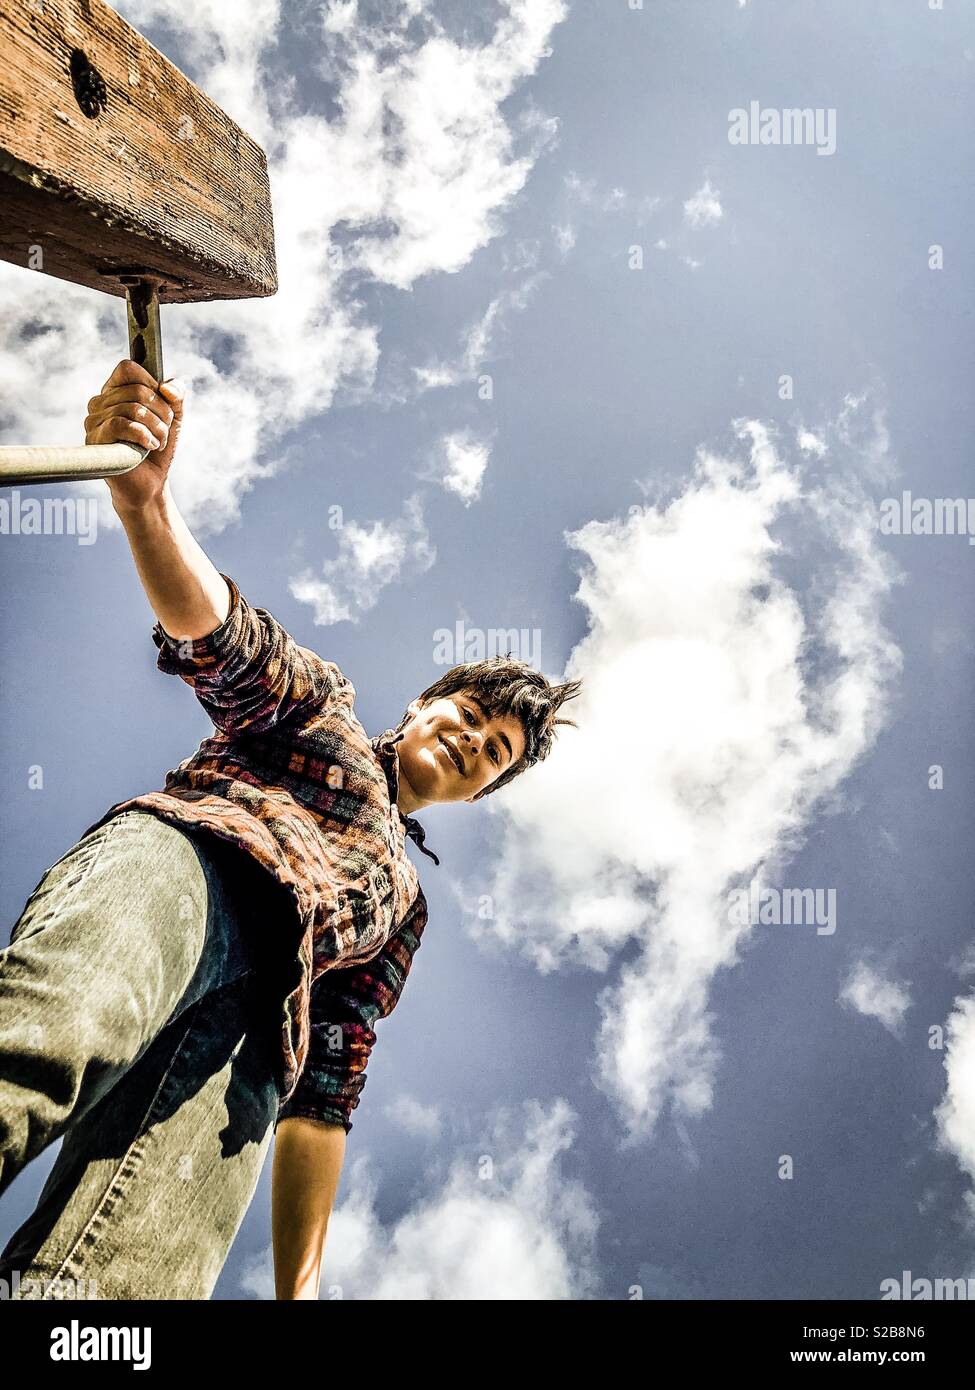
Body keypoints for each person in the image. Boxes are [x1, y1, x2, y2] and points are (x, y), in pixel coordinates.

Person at [0, 360, 581, 1301]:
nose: (477, 739)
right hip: (190, 873)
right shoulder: (331, 715)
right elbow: (229, 643)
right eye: (469, 712)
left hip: (255, 1045)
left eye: (499, 751)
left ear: (485, 792)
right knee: (40, 1045)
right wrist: (147, 508)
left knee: (127, 1291)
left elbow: (328, 1092)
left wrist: (299, 1291)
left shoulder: (403, 906)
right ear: (425, 705)